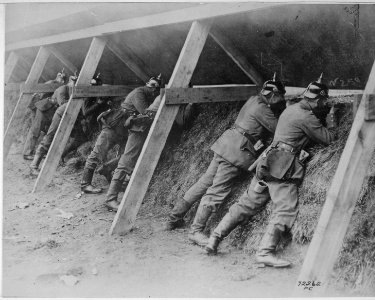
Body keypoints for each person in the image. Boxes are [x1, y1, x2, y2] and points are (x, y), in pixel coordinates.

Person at [204, 74, 337, 268]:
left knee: (247, 203)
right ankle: (265, 252)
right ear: (318, 100)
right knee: (285, 208)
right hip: (282, 167)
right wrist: (332, 118)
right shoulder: (307, 117)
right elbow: (329, 139)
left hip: (266, 162)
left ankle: (214, 238)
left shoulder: (291, 109)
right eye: (323, 101)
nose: (323, 104)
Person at [164, 74, 287, 248]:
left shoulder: (253, 100)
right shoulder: (263, 109)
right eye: (280, 97)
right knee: (217, 191)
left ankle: (173, 219)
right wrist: (287, 110)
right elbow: (280, 128)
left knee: (204, 182)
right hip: (235, 153)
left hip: (226, 144)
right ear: (273, 95)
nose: (280, 101)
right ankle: (195, 231)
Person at [80, 75, 162, 196]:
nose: (154, 89)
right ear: (147, 83)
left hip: (125, 129)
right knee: (98, 152)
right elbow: (144, 112)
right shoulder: (139, 92)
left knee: (125, 156)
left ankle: (107, 169)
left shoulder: (148, 94)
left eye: (157, 87)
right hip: (114, 125)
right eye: (152, 85)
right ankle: (85, 184)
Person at [29, 73, 78, 174]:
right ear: (70, 81)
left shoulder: (71, 90)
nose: (74, 85)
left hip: (60, 115)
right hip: (50, 112)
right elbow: (62, 104)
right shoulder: (63, 89)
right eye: (73, 83)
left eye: (75, 83)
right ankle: (34, 165)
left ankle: (57, 158)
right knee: (48, 137)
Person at [62, 74, 112, 159]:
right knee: (78, 141)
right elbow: (86, 112)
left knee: (83, 141)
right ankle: (61, 156)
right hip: (85, 123)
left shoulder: (95, 95)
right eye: (96, 86)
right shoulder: (88, 96)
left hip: (92, 122)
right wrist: (98, 104)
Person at [23, 70, 66, 160]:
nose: (62, 80)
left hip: (48, 109)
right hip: (41, 107)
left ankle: (41, 152)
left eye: (63, 79)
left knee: (46, 131)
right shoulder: (51, 83)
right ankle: (27, 153)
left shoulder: (59, 85)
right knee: (35, 129)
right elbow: (39, 96)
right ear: (58, 76)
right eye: (61, 77)